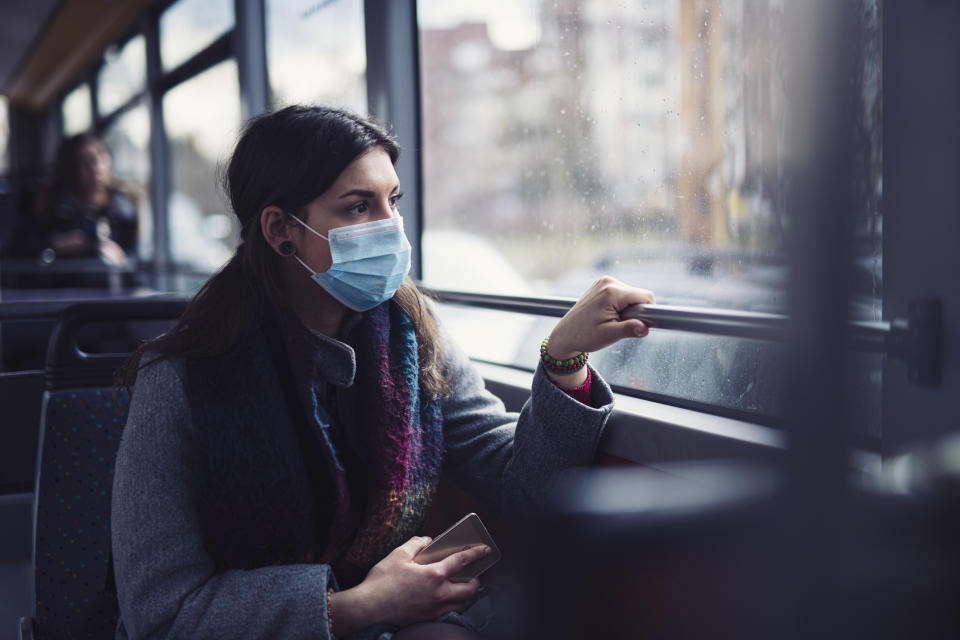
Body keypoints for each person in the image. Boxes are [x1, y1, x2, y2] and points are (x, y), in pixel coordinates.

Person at [111, 105, 655, 640]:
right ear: (280, 231)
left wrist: (563, 358)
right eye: (357, 208)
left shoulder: (412, 337)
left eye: (392, 202)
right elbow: (163, 616)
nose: (391, 229)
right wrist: (355, 607)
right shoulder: (181, 379)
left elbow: (523, 484)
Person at [34, 132, 138, 267]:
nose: (95, 167)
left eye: (101, 156)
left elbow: (137, 261)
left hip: (109, 283)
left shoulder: (123, 209)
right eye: (85, 160)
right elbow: (25, 253)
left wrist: (121, 258)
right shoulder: (52, 205)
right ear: (71, 167)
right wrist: (55, 245)